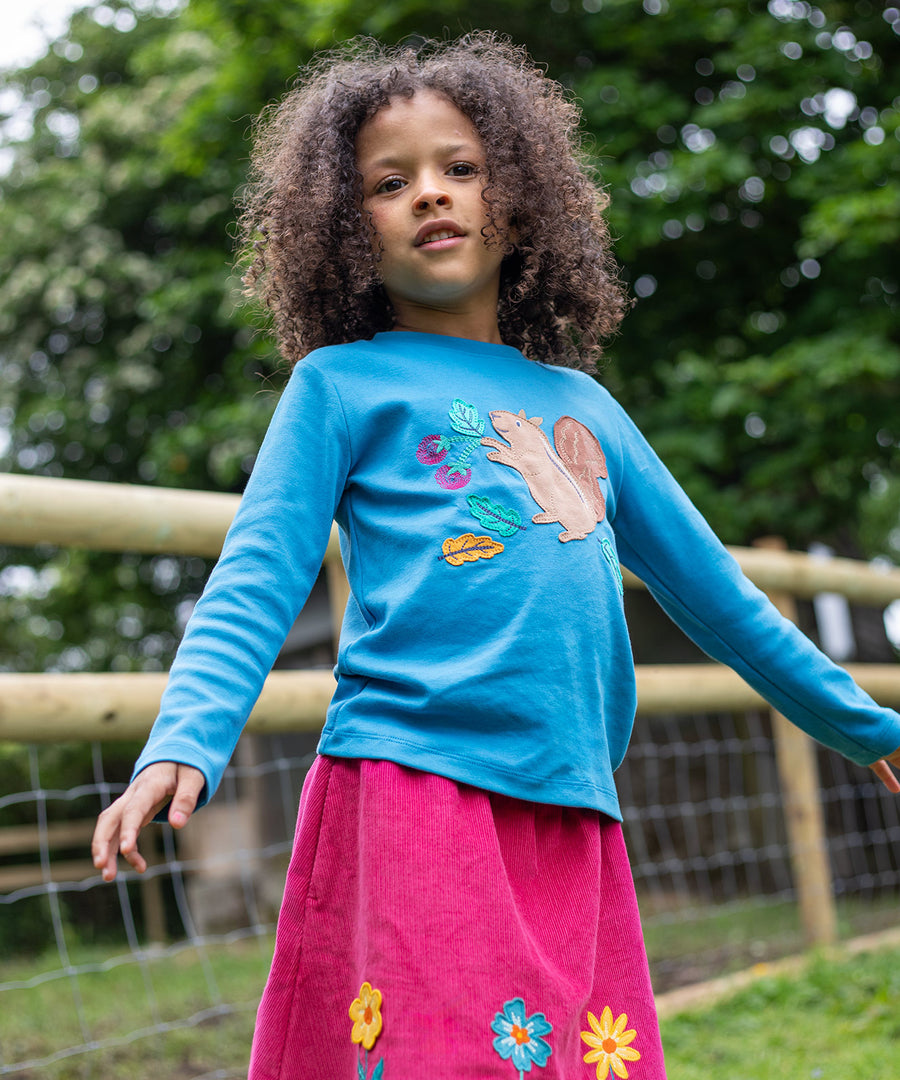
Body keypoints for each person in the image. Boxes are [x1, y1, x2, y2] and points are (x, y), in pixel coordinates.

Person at [91, 33, 900, 1080]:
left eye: (460, 169)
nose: (432, 194)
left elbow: (720, 598)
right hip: (412, 783)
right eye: (392, 181)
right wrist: (182, 740)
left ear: (516, 201)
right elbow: (255, 579)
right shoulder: (340, 387)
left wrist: (859, 719)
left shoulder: (586, 408)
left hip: (571, 802)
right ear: (346, 228)